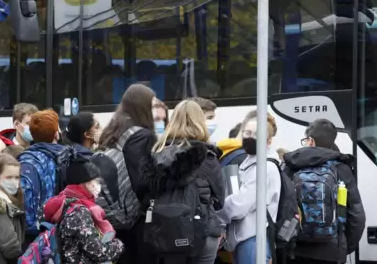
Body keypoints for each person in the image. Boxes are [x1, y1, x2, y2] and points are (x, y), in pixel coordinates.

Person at [142, 100, 225, 264]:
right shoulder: (208, 157)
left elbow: (148, 193)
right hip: (203, 231)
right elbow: (219, 201)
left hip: (167, 231)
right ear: (199, 122)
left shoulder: (158, 154)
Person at [283, 119, 366, 264]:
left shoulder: (292, 165)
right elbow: (357, 216)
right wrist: (344, 246)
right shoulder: (342, 168)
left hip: (296, 250)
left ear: (310, 140)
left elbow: (281, 208)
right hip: (332, 251)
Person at [98, 83, 157, 264]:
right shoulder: (141, 135)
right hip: (133, 214)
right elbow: (141, 179)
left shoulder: (115, 128)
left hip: (112, 208)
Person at [217, 111, 281, 264]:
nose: (251, 138)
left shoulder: (264, 167)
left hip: (253, 241)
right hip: (244, 240)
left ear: (269, 141)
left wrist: (215, 215)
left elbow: (240, 204)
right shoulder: (249, 163)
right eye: (247, 133)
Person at [43, 147, 124, 264]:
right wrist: (118, 245)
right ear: (83, 183)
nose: (98, 186)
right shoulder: (79, 212)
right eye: (95, 181)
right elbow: (99, 252)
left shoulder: (65, 200)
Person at [18, 109, 65, 245]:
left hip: (29, 235)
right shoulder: (65, 158)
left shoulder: (25, 159)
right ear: (56, 134)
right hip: (55, 232)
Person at [0, 153, 26, 264]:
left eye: (17, 177)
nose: (14, 182)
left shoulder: (9, 201)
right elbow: (10, 246)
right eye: (8, 177)